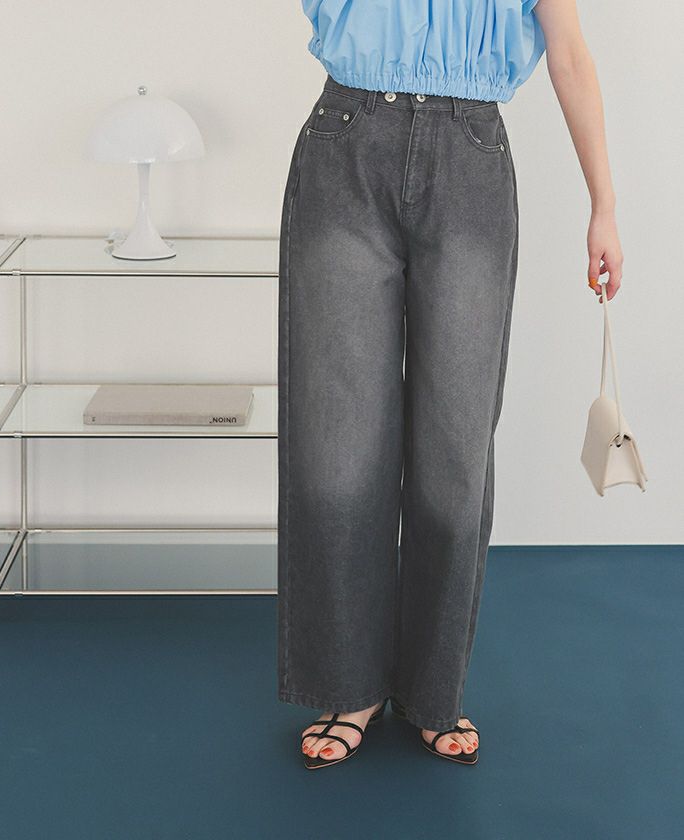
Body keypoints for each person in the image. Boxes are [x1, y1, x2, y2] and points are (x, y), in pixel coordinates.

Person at [277, 0, 623, 769]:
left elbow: (569, 51)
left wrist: (604, 204)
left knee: (455, 450)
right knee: (336, 446)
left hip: (470, 154)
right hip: (346, 141)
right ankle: (348, 686)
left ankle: (433, 690)